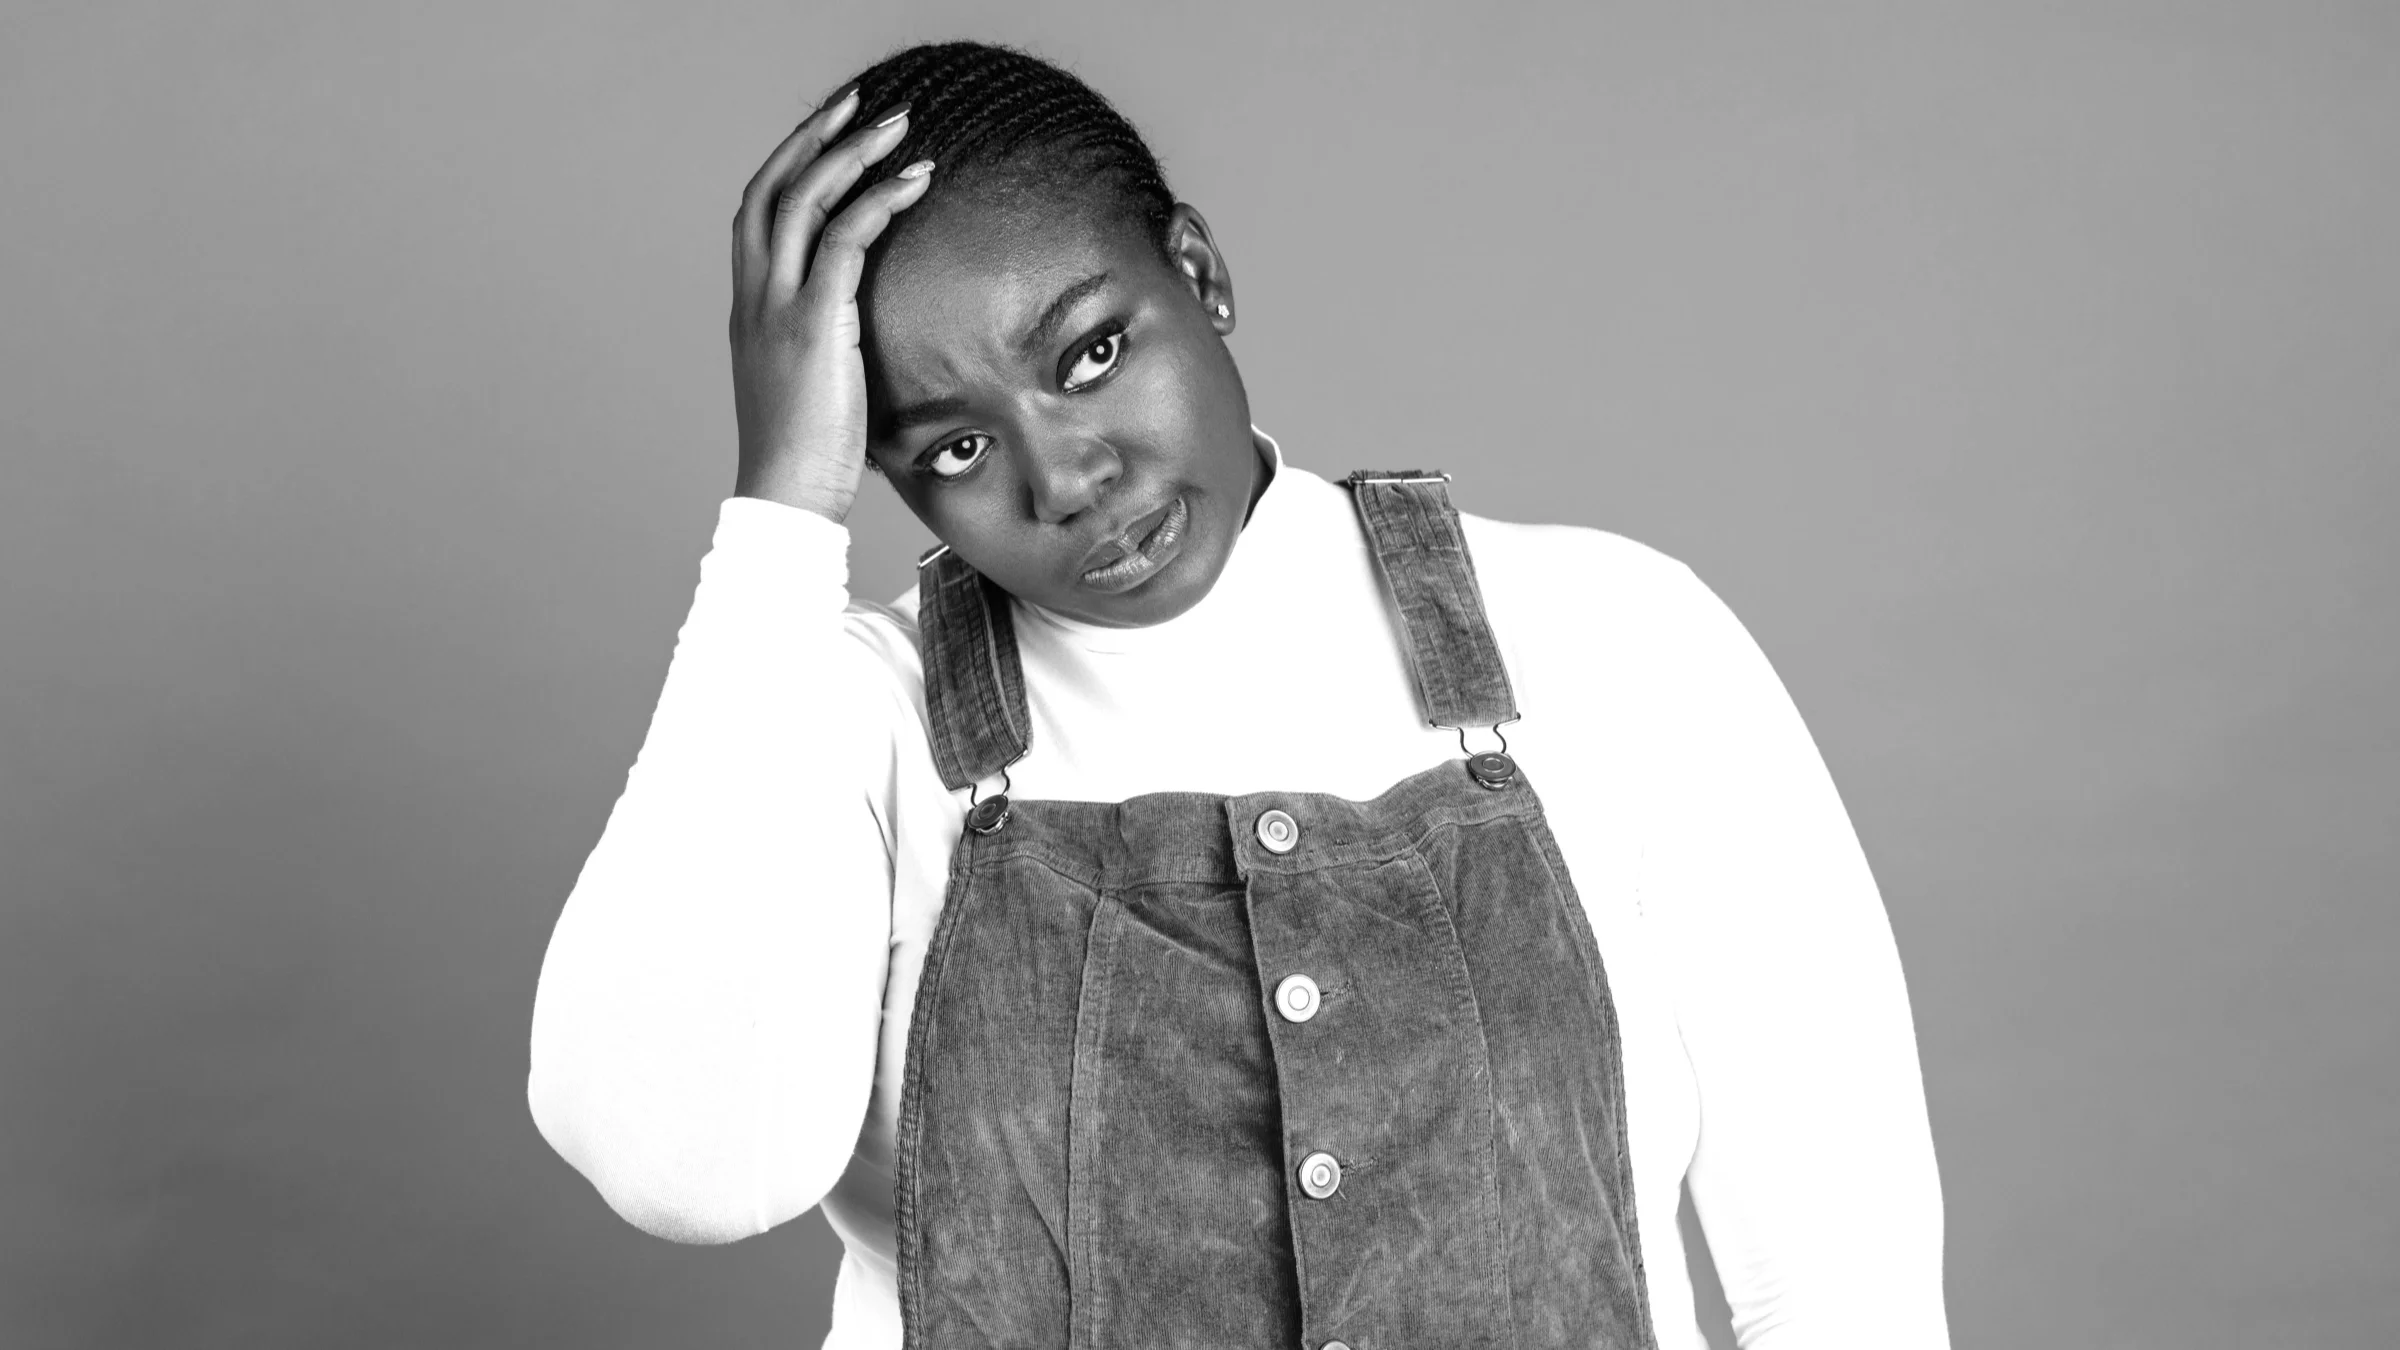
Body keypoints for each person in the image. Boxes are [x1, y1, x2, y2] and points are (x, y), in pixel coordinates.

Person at [526, 38, 1949, 1350]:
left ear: (1198, 278)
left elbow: (1838, 1274)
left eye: (1091, 353)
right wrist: (779, 514)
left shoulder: (1613, 639)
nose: (1065, 475)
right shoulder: (845, 723)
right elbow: (686, 1169)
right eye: (954, 447)